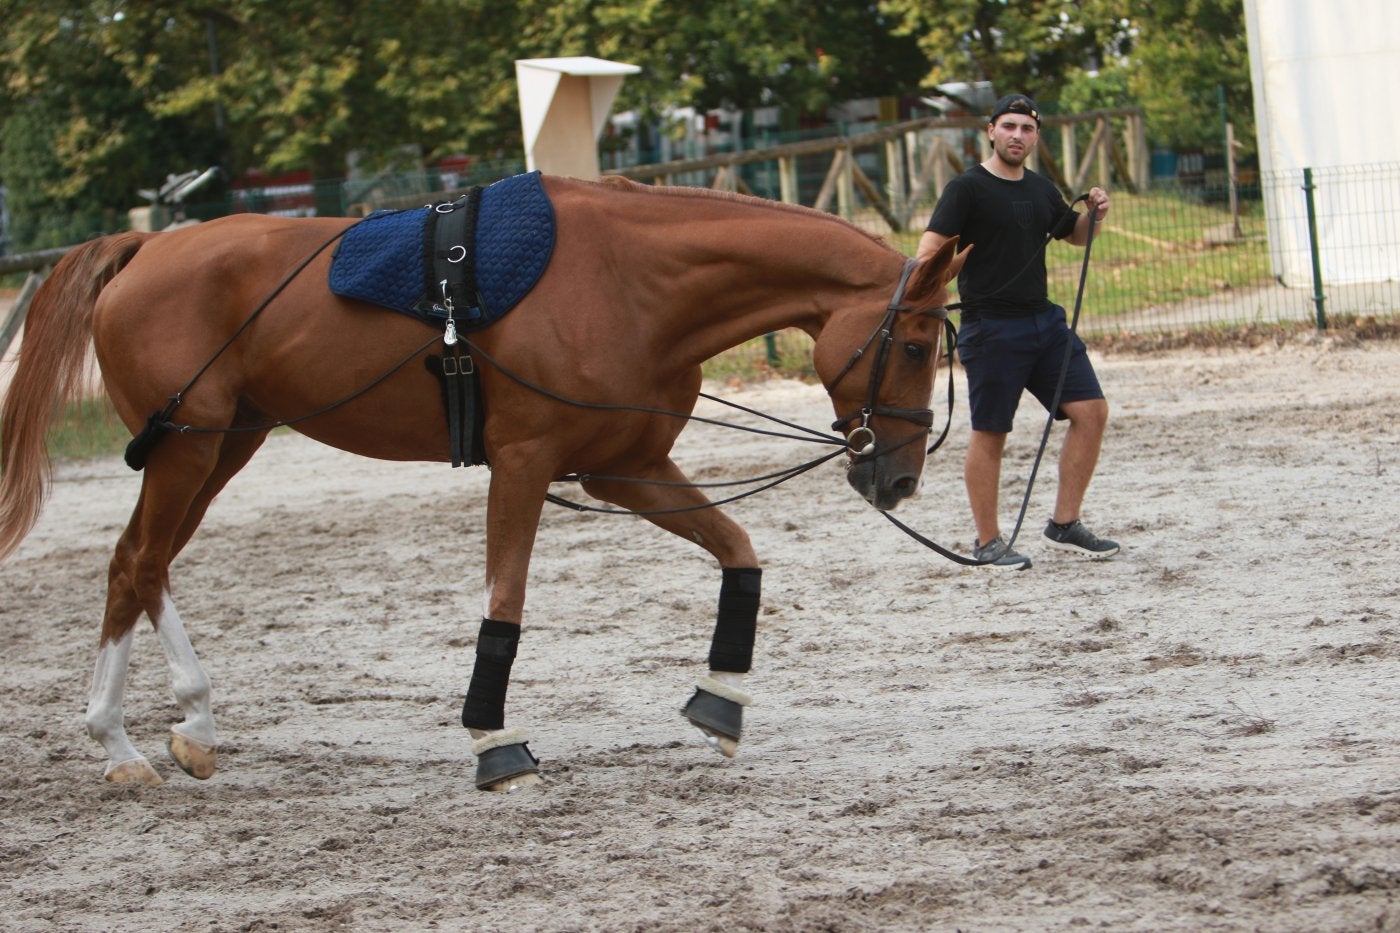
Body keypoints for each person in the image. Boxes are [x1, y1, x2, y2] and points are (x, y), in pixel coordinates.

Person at [917, 93, 1119, 571]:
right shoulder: (965, 189)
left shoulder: (1042, 188)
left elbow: (1076, 234)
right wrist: (949, 270)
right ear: (990, 131)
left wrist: (1097, 214)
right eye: (1009, 126)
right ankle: (988, 541)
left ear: (1035, 137)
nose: (1017, 136)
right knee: (991, 434)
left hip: (1045, 322)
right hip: (990, 328)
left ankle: (1064, 524)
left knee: (1091, 412)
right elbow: (927, 257)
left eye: (1027, 129)